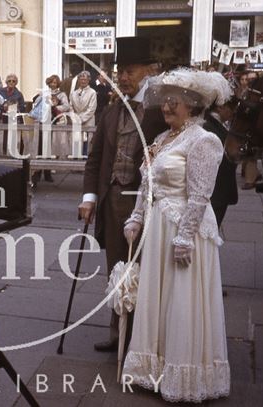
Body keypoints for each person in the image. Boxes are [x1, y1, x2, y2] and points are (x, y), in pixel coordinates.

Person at [121, 68, 231, 403]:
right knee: (158, 297)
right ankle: (151, 369)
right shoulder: (162, 140)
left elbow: (200, 195)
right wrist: (136, 216)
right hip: (158, 228)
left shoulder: (204, 140)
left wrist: (184, 237)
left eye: (175, 101)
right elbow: (148, 183)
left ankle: (182, 373)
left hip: (184, 229)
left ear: (193, 105)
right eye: (165, 100)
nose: (167, 106)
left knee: (181, 299)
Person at [78, 36, 167, 352]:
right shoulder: (112, 111)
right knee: (117, 267)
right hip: (113, 201)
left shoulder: (160, 109)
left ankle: (142, 339)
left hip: (147, 203)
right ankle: (118, 336)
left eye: (130, 71)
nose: (123, 77)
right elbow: (95, 158)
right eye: (120, 72)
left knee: (145, 268)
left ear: (148, 70)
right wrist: (89, 198)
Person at [205, 95, 239, 226]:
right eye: (230, 109)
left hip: (221, 189)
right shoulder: (210, 127)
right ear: (220, 107)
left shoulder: (218, 123)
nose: (232, 113)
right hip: (216, 191)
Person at [31, 74, 70, 185]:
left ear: (58, 83)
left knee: (48, 148)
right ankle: (37, 173)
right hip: (43, 121)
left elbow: (66, 106)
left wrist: (55, 106)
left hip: (53, 121)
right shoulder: (44, 92)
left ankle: (47, 173)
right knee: (40, 147)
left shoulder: (62, 94)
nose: (53, 84)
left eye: (55, 82)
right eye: (51, 82)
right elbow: (36, 103)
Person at [69, 70, 97, 154]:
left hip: (88, 122)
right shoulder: (73, 93)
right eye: (81, 79)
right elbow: (71, 107)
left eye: (85, 79)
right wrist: (74, 117)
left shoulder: (92, 92)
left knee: (87, 145)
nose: (83, 81)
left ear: (88, 80)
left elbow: (91, 109)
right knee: (76, 144)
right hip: (76, 122)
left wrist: (80, 119)